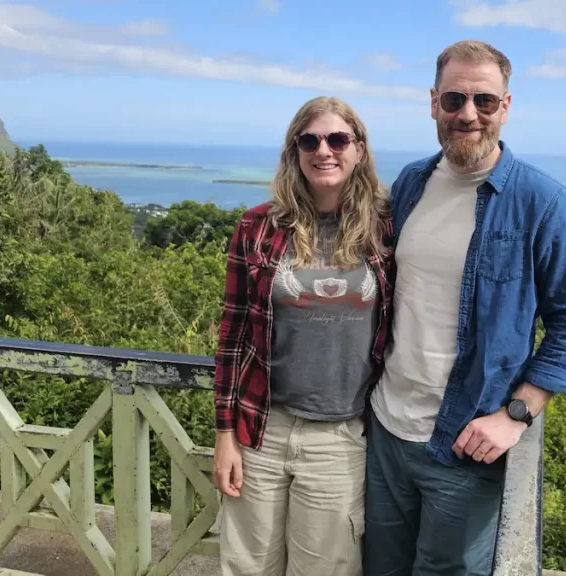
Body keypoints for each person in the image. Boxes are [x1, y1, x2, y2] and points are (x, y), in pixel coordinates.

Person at [364, 40, 566, 575]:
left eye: (484, 101)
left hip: (465, 445)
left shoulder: (543, 202)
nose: (468, 114)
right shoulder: (412, 184)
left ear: (506, 107)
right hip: (386, 430)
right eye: (454, 100)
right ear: (433, 104)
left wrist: (518, 413)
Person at [212, 96, 394, 576]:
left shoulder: (387, 228)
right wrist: (225, 435)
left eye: (337, 139)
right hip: (261, 430)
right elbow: (232, 335)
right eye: (309, 140)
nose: (324, 150)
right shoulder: (258, 226)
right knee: (247, 567)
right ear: (294, 151)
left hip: (340, 435)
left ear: (358, 149)